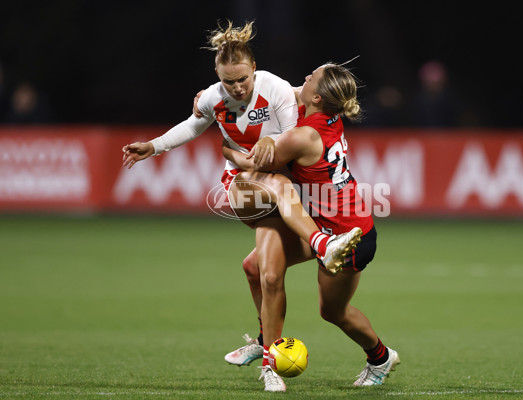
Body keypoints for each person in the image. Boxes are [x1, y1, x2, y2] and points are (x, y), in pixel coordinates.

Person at [121, 21, 361, 391]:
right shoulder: (212, 98)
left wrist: (264, 145)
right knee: (278, 193)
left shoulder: (276, 89)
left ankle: (264, 346)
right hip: (245, 187)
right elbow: (191, 125)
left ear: (254, 69)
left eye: (243, 79)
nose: (237, 88)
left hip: (281, 184)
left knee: (261, 272)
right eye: (228, 81)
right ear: (218, 76)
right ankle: (320, 251)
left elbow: (290, 134)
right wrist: (153, 147)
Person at [216, 62, 400, 389]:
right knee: (254, 267)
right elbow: (272, 89)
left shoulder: (303, 136)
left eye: (311, 78)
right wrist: (213, 95)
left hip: (349, 236)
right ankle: (264, 339)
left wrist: (226, 147)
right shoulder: (323, 111)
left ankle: (380, 357)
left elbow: (251, 163)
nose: (305, 78)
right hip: (324, 226)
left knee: (333, 312)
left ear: (317, 98)